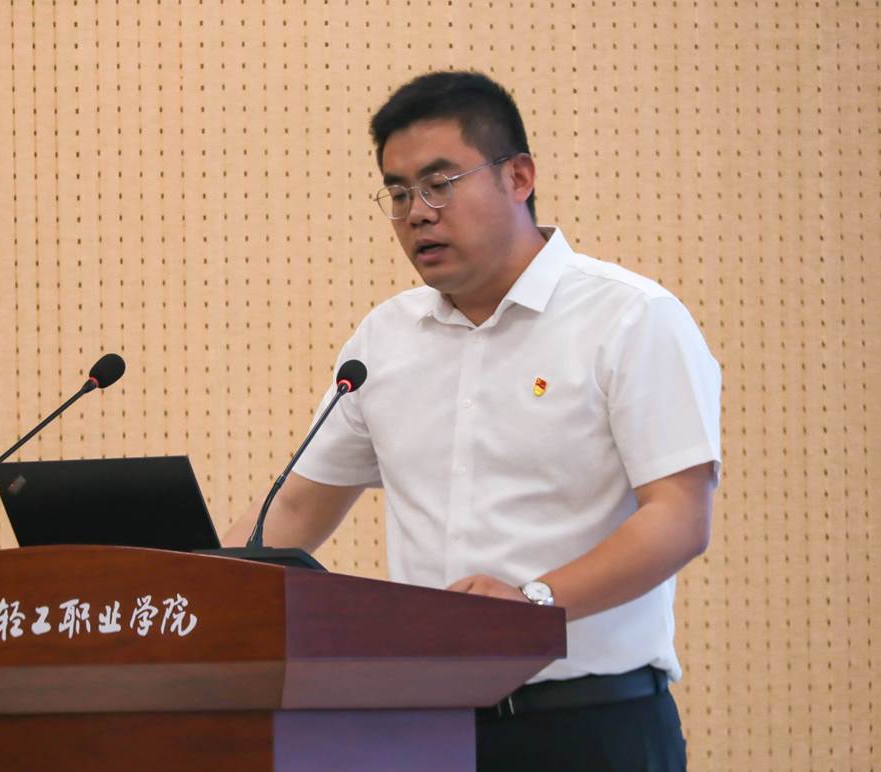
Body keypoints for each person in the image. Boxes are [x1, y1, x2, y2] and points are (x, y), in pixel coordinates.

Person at [224, 70, 720, 772]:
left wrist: (533, 604)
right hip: (428, 728)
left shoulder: (631, 319)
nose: (417, 214)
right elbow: (298, 507)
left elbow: (678, 516)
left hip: (590, 723)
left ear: (519, 177)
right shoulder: (383, 341)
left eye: (440, 184)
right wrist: (192, 591)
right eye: (399, 193)